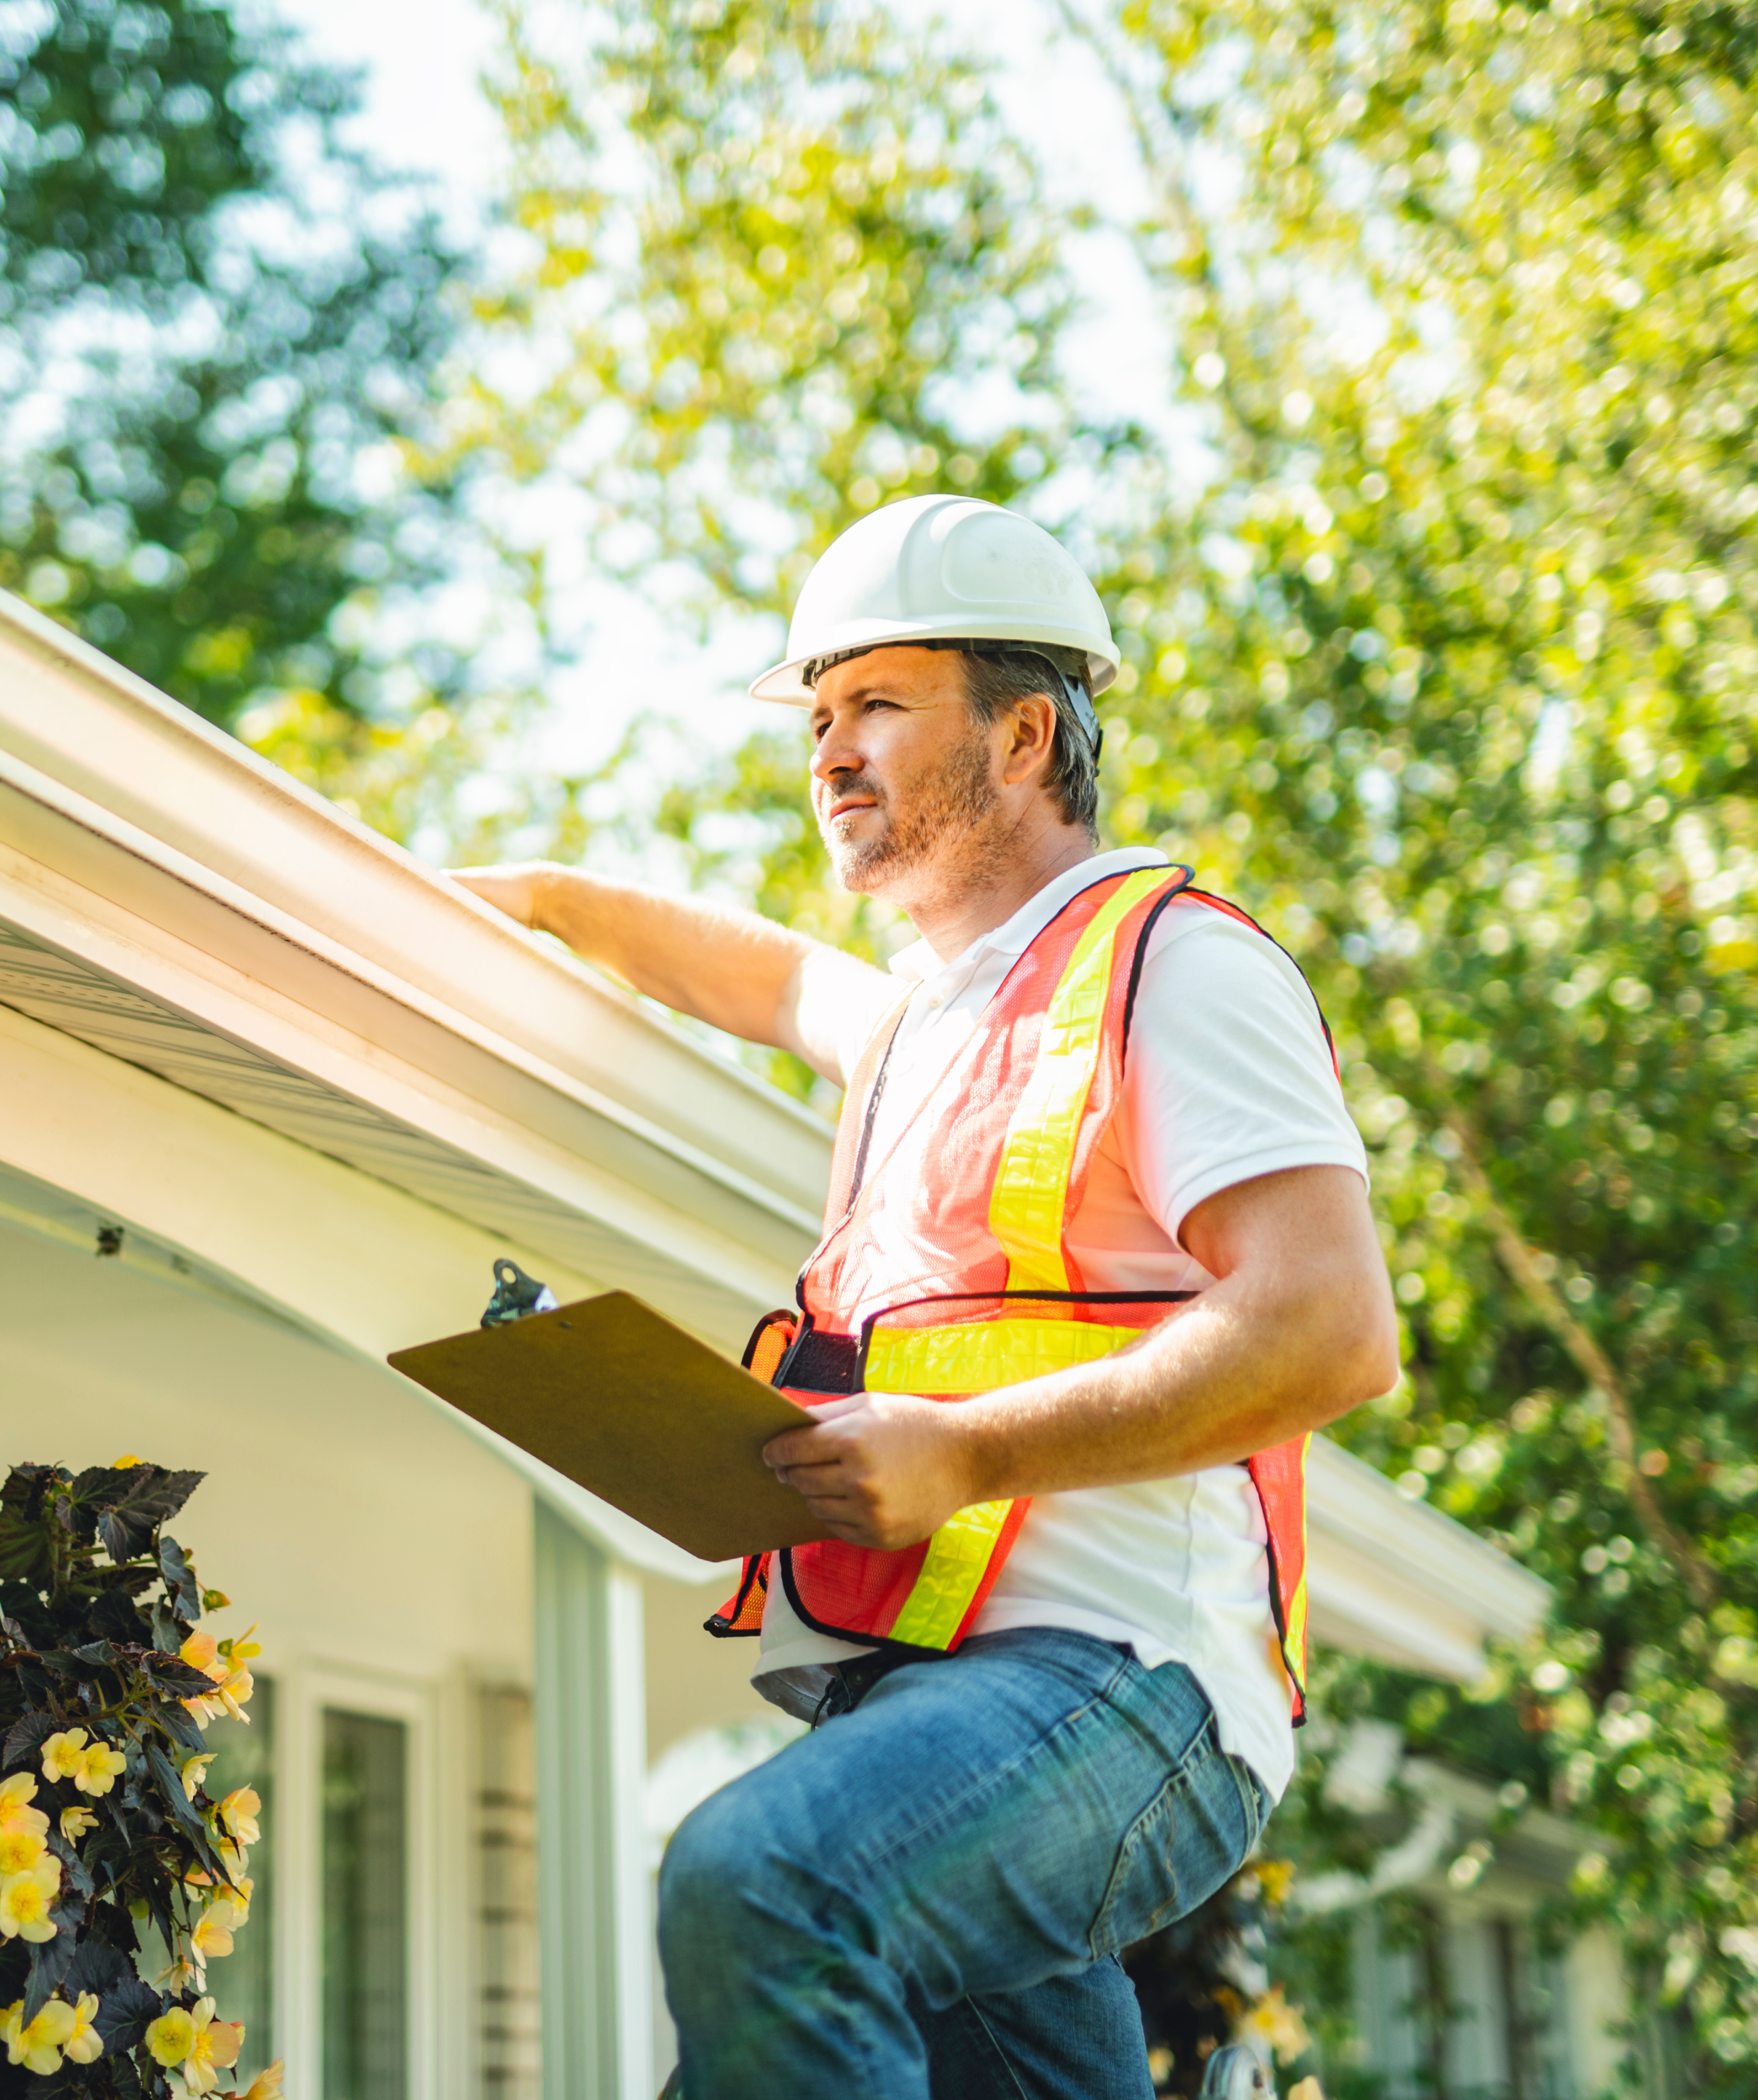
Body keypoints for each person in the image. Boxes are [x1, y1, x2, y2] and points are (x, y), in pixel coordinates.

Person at [450, 495, 1398, 2100]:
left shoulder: (1172, 963)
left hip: (1121, 1684)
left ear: (1027, 735)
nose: (831, 750)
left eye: (879, 703)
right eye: (817, 714)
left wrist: (963, 1455)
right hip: (928, 1693)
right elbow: (752, 973)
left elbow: (1330, 1327)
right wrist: (544, 899)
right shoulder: (921, 1025)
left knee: (763, 1883)